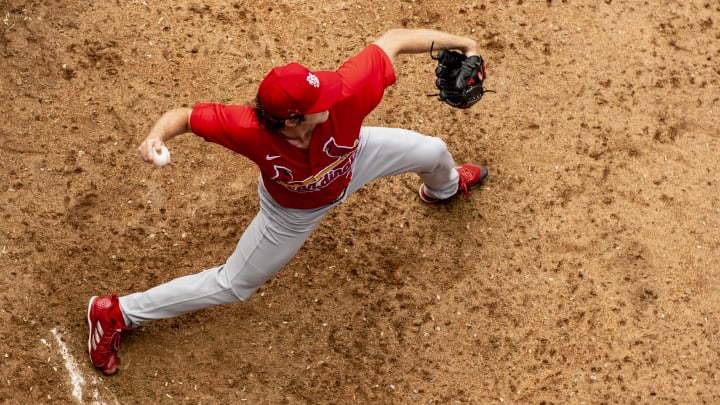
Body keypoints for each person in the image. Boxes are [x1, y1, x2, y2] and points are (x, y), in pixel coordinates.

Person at [87, 28, 489, 375]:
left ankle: (444, 188)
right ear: (291, 120)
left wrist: (467, 43)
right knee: (233, 284)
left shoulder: (347, 93)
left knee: (432, 150)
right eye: (319, 105)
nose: (331, 99)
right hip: (292, 211)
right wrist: (156, 137)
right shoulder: (248, 129)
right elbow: (185, 117)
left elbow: (396, 40)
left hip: (356, 158)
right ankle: (117, 313)